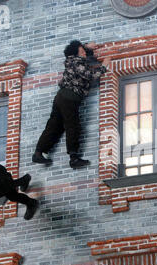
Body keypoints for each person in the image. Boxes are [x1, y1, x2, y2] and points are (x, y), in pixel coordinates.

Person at [32, 40, 111, 169]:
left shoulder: (71, 60)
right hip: (70, 98)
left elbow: (72, 50)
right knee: (72, 125)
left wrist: (85, 46)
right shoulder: (76, 62)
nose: (85, 53)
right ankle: (74, 158)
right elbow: (89, 75)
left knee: (54, 125)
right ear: (76, 53)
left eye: (84, 51)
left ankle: (39, 152)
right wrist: (104, 66)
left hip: (61, 97)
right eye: (82, 51)